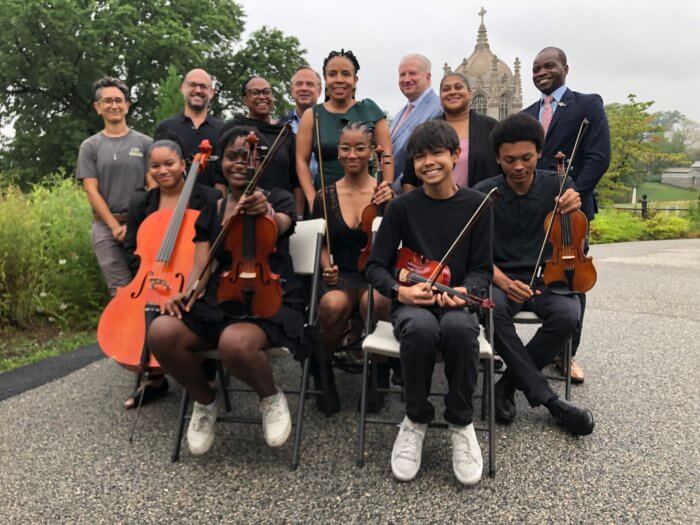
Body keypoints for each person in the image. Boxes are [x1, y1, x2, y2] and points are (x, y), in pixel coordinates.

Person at [147, 125, 306, 456]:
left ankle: (271, 397)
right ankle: (206, 400)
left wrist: (265, 212)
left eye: (247, 157)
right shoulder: (213, 209)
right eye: (232, 157)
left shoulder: (277, 198)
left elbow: (281, 225)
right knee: (161, 331)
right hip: (223, 295)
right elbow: (202, 267)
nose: (240, 164)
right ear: (222, 163)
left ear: (260, 163)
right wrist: (189, 291)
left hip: (268, 297)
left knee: (234, 343)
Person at [366, 119, 492, 486]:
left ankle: (461, 421)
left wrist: (467, 291)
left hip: (457, 302)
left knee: (458, 330)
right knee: (420, 329)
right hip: (412, 301)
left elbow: (482, 269)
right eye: (419, 156)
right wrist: (400, 292)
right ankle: (416, 418)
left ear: (455, 155)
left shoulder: (478, 206)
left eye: (437, 153)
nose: (428, 163)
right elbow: (376, 266)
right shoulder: (402, 208)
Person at [474, 113, 595, 437]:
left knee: (569, 314)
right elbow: (474, 253)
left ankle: (507, 384)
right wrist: (500, 280)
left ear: (538, 153)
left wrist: (575, 206)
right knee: (491, 309)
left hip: (546, 276)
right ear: (497, 158)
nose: (518, 167)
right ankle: (550, 400)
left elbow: (578, 238)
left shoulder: (559, 185)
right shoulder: (484, 192)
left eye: (526, 158)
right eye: (509, 159)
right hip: (500, 277)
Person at [522, 47, 611, 383]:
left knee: (572, 279)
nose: (541, 72)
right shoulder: (528, 113)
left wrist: (576, 193)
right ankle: (539, 348)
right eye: (535, 67)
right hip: (533, 210)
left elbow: (599, 157)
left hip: (571, 210)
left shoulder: (587, 104)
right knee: (535, 275)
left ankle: (566, 354)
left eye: (549, 65)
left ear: (565, 68)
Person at [121, 139, 220, 409]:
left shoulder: (208, 198)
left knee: (197, 307)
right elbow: (132, 248)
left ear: (183, 165)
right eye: (155, 165)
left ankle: (204, 373)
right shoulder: (142, 201)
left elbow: (215, 249)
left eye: (169, 163)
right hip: (151, 278)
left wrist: (192, 281)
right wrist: (147, 274)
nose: (162, 170)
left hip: (192, 280)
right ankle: (154, 380)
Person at [312, 122, 394, 413]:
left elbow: (398, 240)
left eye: (360, 147)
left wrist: (393, 203)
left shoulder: (384, 194)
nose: (353, 154)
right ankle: (322, 373)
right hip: (342, 274)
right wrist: (326, 266)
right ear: (338, 152)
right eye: (346, 147)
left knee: (378, 301)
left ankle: (379, 372)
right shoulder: (324, 196)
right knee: (332, 305)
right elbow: (321, 241)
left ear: (371, 151)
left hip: (376, 273)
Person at [77, 76, 153, 296]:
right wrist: (114, 227)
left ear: (127, 106)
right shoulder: (90, 146)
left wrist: (134, 224)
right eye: (107, 101)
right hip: (104, 227)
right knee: (120, 290)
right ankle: (125, 331)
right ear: (98, 107)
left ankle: (151, 330)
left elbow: (153, 188)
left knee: (146, 282)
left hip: (140, 225)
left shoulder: (145, 143)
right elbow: (91, 189)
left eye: (119, 100)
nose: (114, 105)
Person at [296, 49, 394, 211]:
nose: (339, 80)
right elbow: (301, 161)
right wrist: (313, 199)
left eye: (346, 74)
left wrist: (386, 187)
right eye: (332, 74)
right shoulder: (312, 115)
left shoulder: (371, 110)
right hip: (325, 202)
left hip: (368, 199)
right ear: (326, 79)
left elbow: (387, 153)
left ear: (355, 80)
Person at [401, 72, 499, 192]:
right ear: (440, 98)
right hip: (434, 206)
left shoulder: (491, 128)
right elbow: (409, 179)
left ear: (470, 93)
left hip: (483, 205)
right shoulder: (425, 131)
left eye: (458, 87)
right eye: (446, 89)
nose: (452, 92)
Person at [218, 76, 301, 212]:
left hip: (282, 208)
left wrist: (298, 215)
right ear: (244, 99)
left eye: (267, 92)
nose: (262, 97)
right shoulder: (232, 129)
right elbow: (219, 175)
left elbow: (296, 180)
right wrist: (223, 211)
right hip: (240, 208)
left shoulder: (286, 133)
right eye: (255, 92)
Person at [154, 68, 226, 196]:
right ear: (182, 88)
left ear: (212, 92)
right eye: (192, 85)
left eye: (203, 86)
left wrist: (218, 208)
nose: (198, 90)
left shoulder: (223, 130)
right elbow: (156, 170)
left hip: (209, 207)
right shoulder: (165, 127)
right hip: (170, 203)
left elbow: (221, 178)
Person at [390, 54, 442, 190]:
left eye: (412, 73)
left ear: (428, 77)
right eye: (402, 75)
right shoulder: (401, 113)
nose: (406, 79)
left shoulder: (438, 109)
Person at [280, 66, 323, 215]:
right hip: (289, 199)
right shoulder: (279, 126)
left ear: (319, 91)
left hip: (324, 195)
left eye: (310, 84)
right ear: (292, 90)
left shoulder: (330, 122)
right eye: (299, 84)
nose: (304, 88)